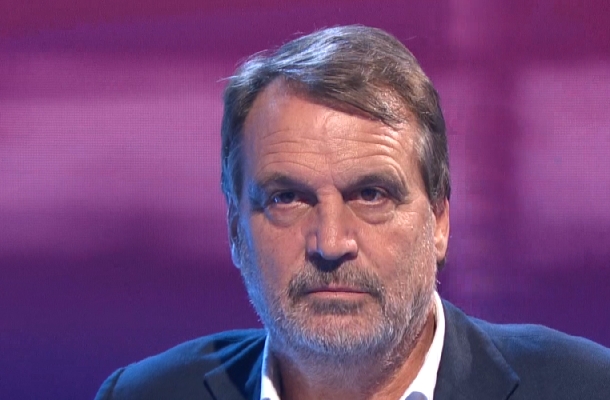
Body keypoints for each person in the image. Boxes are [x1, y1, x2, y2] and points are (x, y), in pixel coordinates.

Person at [94, 25, 610, 400]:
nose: (331, 242)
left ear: (439, 221)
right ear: (234, 228)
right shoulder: (145, 394)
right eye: (287, 198)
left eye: (370, 194)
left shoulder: (584, 388)